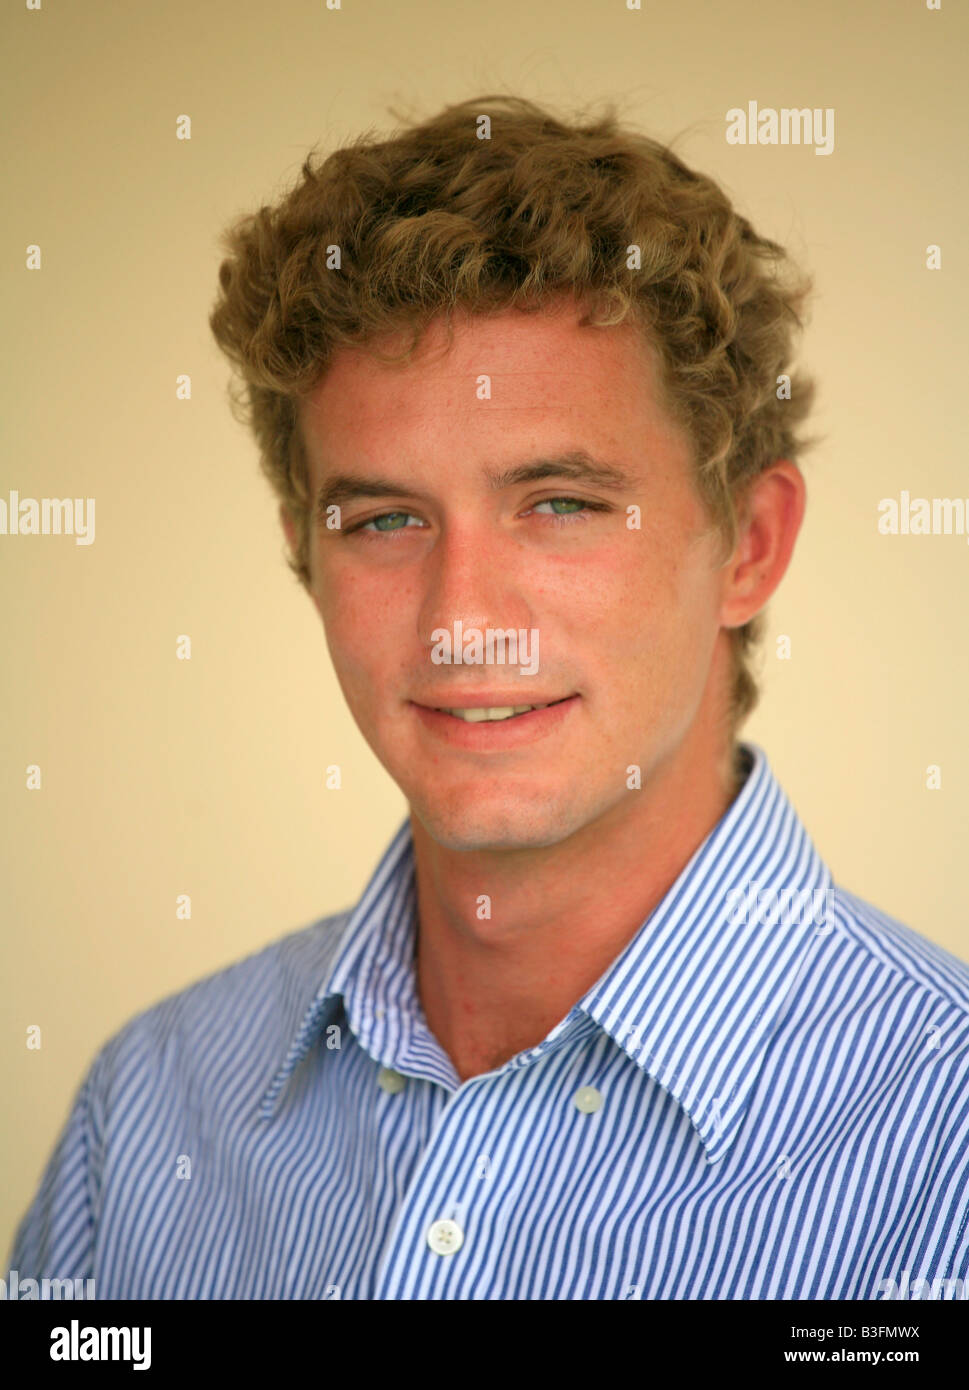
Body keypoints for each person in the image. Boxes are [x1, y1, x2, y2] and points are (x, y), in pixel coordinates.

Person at [8, 95, 968, 1301]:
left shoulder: (947, 1141)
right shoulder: (149, 1111)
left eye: (559, 503)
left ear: (749, 546)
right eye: (387, 520)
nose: (462, 614)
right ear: (308, 555)